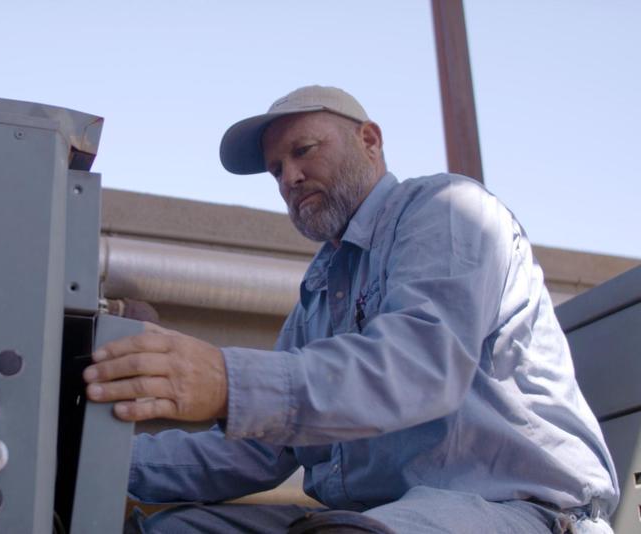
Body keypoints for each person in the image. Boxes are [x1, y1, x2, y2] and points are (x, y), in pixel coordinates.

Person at [82, 86, 618, 533]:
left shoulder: (449, 212)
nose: (288, 178)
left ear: (369, 140)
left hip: (524, 513)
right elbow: (260, 449)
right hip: (377, 518)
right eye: (275, 169)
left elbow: (417, 368)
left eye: (304, 150)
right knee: (169, 531)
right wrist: (91, 458)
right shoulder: (319, 289)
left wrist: (226, 380)